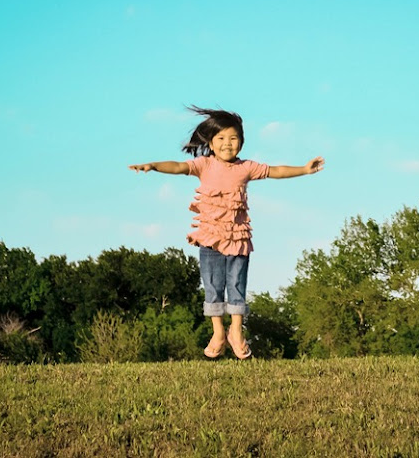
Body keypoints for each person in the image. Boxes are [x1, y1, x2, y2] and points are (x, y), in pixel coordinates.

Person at [128, 106, 325, 359]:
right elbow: (177, 166)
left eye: (233, 138)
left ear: (241, 142)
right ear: (211, 142)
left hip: (238, 238)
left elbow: (275, 171)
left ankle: (236, 331)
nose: (227, 143)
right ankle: (218, 332)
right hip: (210, 239)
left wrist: (304, 169)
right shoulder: (204, 165)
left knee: (237, 284)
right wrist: (153, 166)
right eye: (221, 138)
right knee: (213, 285)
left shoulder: (246, 167)